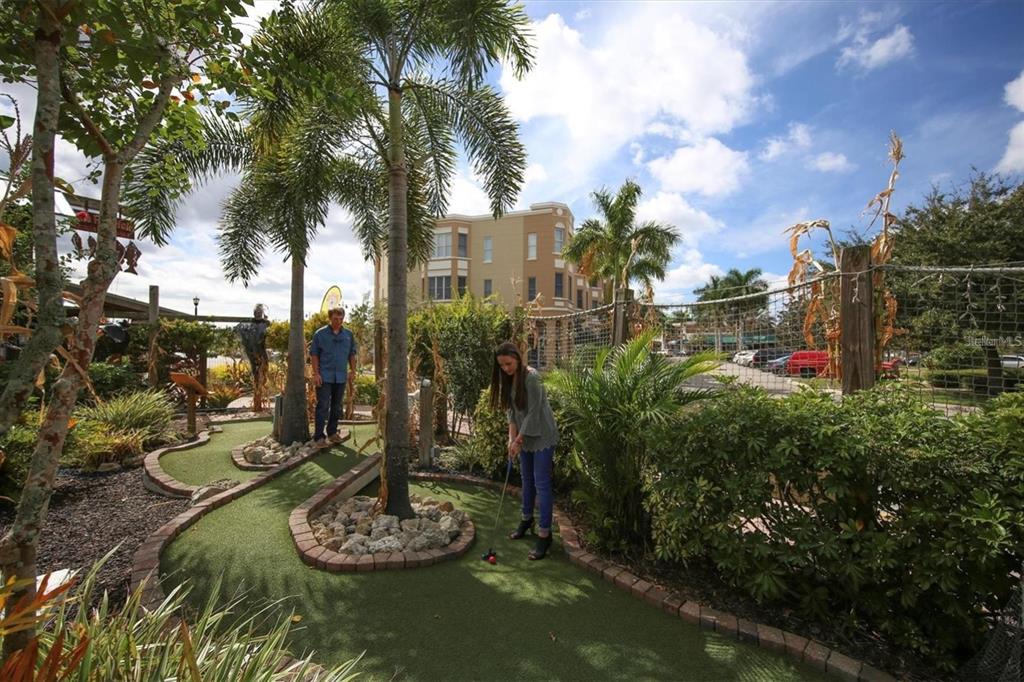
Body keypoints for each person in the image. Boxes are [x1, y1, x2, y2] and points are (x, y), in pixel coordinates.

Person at [489, 341, 559, 561]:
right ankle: (527, 519)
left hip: (542, 435)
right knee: (526, 481)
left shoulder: (533, 377)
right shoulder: (509, 380)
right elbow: (512, 413)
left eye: (509, 364)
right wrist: (511, 440)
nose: (506, 369)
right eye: (502, 366)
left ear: (517, 358)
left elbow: (534, 412)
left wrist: (518, 439)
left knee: (541, 483)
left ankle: (545, 535)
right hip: (524, 437)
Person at [309, 307, 356, 446]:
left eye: (341, 319)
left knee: (337, 407)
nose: (339, 321)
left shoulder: (348, 334)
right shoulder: (320, 334)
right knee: (322, 406)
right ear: (330, 318)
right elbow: (314, 355)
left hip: (341, 377)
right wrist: (316, 373)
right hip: (324, 376)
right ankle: (319, 437)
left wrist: (353, 371)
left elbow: (352, 354)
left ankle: (332, 433)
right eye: (336, 318)